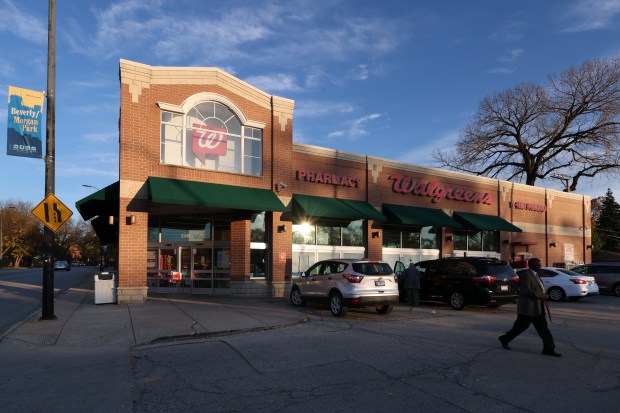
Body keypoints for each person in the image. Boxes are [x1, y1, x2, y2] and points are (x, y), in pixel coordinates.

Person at [498, 257, 562, 357]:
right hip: (528, 308)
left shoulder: (536, 275)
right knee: (520, 327)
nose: (539, 266)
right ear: (530, 265)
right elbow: (527, 290)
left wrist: (543, 296)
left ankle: (548, 349)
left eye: (540, 264)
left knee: (544, 329)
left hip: (538, 308)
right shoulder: (527, 275)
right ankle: (505, 339)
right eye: (537, 265)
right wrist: (543, 295)